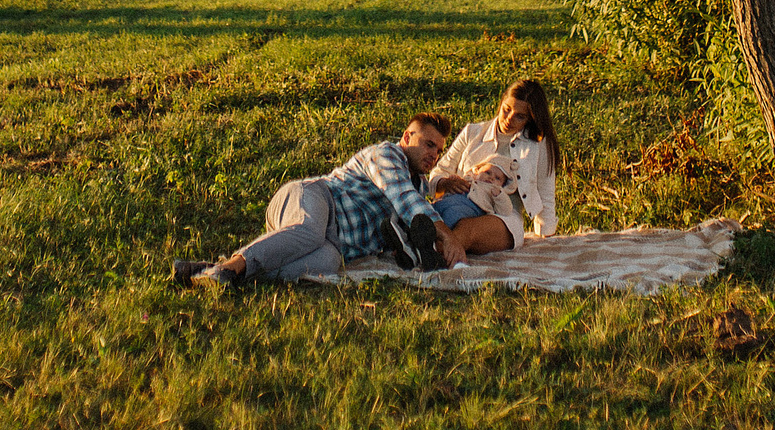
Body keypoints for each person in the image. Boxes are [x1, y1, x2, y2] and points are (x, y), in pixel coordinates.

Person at [174, 113, 467, 286]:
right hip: (315, 197)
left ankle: (208, 273)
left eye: (439, 151)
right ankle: (231, 267)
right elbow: (403, 199)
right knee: (309, 231)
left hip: (334, 243)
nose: (433, 154)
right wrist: (449, 237)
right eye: (428, 144)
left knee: (326, 262)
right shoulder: (386, 154)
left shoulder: (418, 185)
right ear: (406, 137)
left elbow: (414, 212)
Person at [424, 78, 561, 257]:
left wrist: (546, 236)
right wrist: (445, 183)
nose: (509, 119)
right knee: (430, 214)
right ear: (501, 102)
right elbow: (440, 170)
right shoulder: (473, 132)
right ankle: (416, 245)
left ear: (531, 119)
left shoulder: (538, 145)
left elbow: (546, 193)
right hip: (460, 203)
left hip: (502, 216)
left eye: (520, 116)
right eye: (507, 109)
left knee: (467, 228)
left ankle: (432, 253)